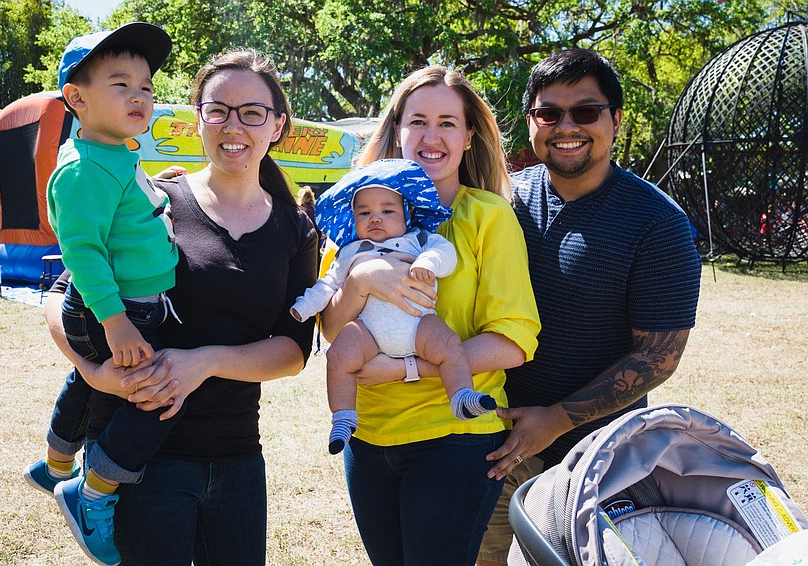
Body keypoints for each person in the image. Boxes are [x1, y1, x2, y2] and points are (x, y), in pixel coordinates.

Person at [43, 47, 318, 565]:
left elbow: (294, 350)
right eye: (218, 110)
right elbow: (64, 295)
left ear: (277, 125)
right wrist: (93, 369)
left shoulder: (295, 230)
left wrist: (205, 362)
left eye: (252, 113)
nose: (233, 125)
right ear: (198, 121)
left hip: (236, 459)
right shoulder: (155, 198)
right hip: (137, 460)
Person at [476, 48, 702, 566]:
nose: (566, 126)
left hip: (597, 465)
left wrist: (556, 419)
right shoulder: (503, 201)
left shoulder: (657, 223)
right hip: (491, 447)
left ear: (616, 120)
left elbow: (658, 357)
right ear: (530, 123)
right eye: (549, 113)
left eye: (586, 110)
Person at [319, 66, 541, 565]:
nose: (431, 136)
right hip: (368, 436)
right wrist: (359, 282)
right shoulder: (360, 216)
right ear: (397, 130)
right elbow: (332, 329)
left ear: (468, 136)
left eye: (447, 122)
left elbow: (513, 339)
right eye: (418, 120)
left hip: (455, 439)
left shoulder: (488, 215)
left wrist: (405, 369)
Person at [21, 22, 176, 566]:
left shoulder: (115, 153)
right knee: (155, 398)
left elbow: (125, 211)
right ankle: (92, 493)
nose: (140, 95)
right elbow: (83, 253)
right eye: (121, 84)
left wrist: (161, 185)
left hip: (127, 305)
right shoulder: (82, 170)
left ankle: (56, 459)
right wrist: (115, 321)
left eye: (147, 86)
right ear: (76, 99)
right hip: (114, 307)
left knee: (90, 384)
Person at [291, 158, 497, 454]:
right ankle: (343, 415)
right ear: (353, 219)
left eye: (387, 211)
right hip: (368, 332)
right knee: (338, 356)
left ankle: (461, 396)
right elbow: (328, 285)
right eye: (364, 213)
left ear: (406, 214)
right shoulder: (350, 251)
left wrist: (428, 262)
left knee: (450, 345)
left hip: (417, 323)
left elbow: (446, 253)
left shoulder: (418, 239)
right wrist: (305, 306)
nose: (375, 218)